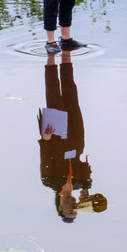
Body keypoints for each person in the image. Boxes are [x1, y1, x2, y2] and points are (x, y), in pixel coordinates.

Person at [38, 50, 105, 222]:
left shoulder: (50, 181)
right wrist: (85, 191)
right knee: (71, 90)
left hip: (55, 137)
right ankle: (66, 52)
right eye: (75, 211)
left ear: (60, 208)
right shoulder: (80, 183)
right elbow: (84, 167)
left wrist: (45, 139)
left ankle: (51, 56)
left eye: (69, 211)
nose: (73, 208)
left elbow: (45, 158)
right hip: (76, 138)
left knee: (53, 92)